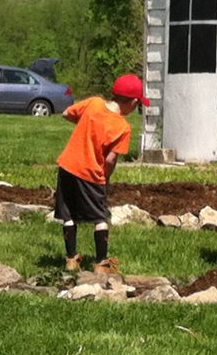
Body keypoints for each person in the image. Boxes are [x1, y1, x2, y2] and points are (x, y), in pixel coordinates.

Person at [54, 73, 147, 276]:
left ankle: (71, 259)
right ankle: (101, 263)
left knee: (68, 214)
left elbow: (67, 113)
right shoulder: (123, 127)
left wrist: (86, 126)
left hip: (67, 166)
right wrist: (105, 178)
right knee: (100, 217)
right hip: (91, 174)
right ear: (132, 102)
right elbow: (111, 160)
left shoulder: (94, 103)